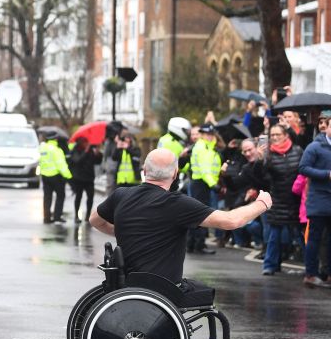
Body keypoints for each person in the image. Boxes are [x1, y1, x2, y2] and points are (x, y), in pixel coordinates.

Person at [90, 149, 272, 285]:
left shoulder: (121, 194)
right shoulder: (177, 203)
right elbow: (231, 221)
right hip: (163, 287)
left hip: (126, 282)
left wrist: (126, 232)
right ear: (175, 173)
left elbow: (95, 220)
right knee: (203, 290)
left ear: (144, 170)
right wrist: (261, 203)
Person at [253, 123, 303, 275]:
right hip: (277, 199)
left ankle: (311, 269)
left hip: (296, 199)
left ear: (286, 135)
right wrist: (259, 161)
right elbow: (260, 178)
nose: (274, 138)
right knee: (274, 234)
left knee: (300, 234)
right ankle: (270, 265)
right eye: (272, 135)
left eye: (278, 135)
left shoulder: (298, 150)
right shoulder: (268, 155)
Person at [298, 116, 331, 287]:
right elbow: (303, 168)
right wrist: (326, 174)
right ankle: (310, 274)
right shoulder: (315, 146)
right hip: (318, 200)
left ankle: (328, 274)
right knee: (314, 238)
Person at [186, 124, 221, 255]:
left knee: (196, 214)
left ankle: (192, 244)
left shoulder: (205, 146)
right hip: (202, 183)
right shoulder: (203, 147)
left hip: (200, 183)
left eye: (211, 134)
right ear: (202, 134)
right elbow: (205, 170)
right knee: (201, 215)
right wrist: (214, 185)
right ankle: (198, 245)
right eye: (207, 134)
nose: (210, 136)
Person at [38, 133, 71, 223]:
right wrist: (68, 176)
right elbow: (61, 165)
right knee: (60, 196)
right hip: (56, 176)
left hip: (45, 176)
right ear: (55, 140)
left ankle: (47, 217)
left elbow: (40, 161)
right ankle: (57, 216)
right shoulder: (57, 150)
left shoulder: (42, 148)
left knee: (47, 197)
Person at [67, 137, 101, 224]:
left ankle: (88, 216)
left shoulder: (90, 150)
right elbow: (77, 161)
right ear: (80, 143)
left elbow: (97, 162)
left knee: (90, 197)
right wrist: (85, 151)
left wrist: (98, 154)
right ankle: (76, 216)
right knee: (78, 197)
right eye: (85, 142)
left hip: (89, 178)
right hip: (79, 178)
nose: (87, 144)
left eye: (87, 142)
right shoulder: (75, 150)